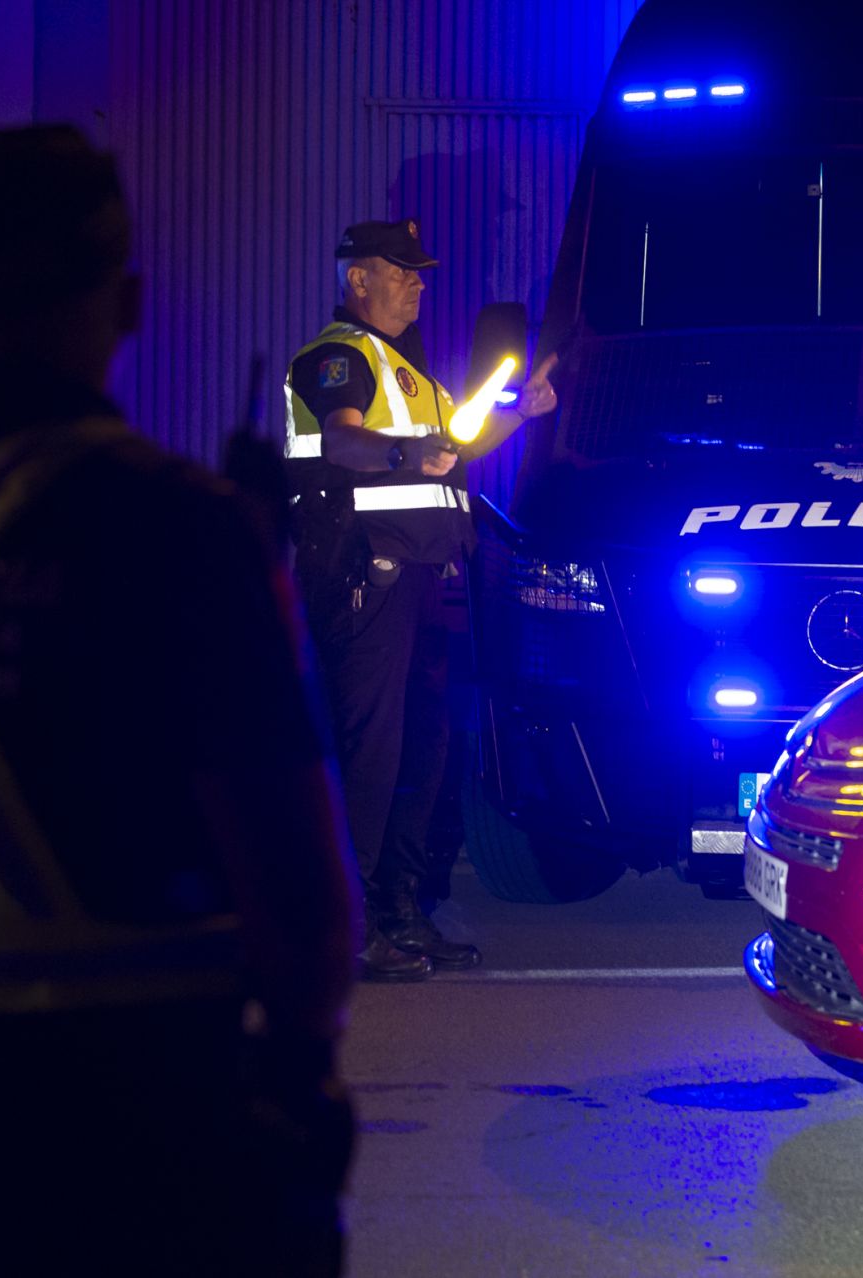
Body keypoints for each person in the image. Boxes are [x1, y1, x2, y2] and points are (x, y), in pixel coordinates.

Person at [0, 125, 361, 1277]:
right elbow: (301, 897)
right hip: (143, 1135)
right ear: (126, 302)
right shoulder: (189, 532)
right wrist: (300, 1081)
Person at [284, 220, 554, 981]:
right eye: (400, 272)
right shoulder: (339, 357)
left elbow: (454, 452)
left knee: (425, 749)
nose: (418, 284)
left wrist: (520, 414)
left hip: (425, 581)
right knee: (372, 750)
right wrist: (402, 451)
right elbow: (343, 443)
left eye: (420, 273)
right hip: (366, 577)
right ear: (356, 279)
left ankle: (401, 914)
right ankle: (350, 923)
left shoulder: (413, 373)